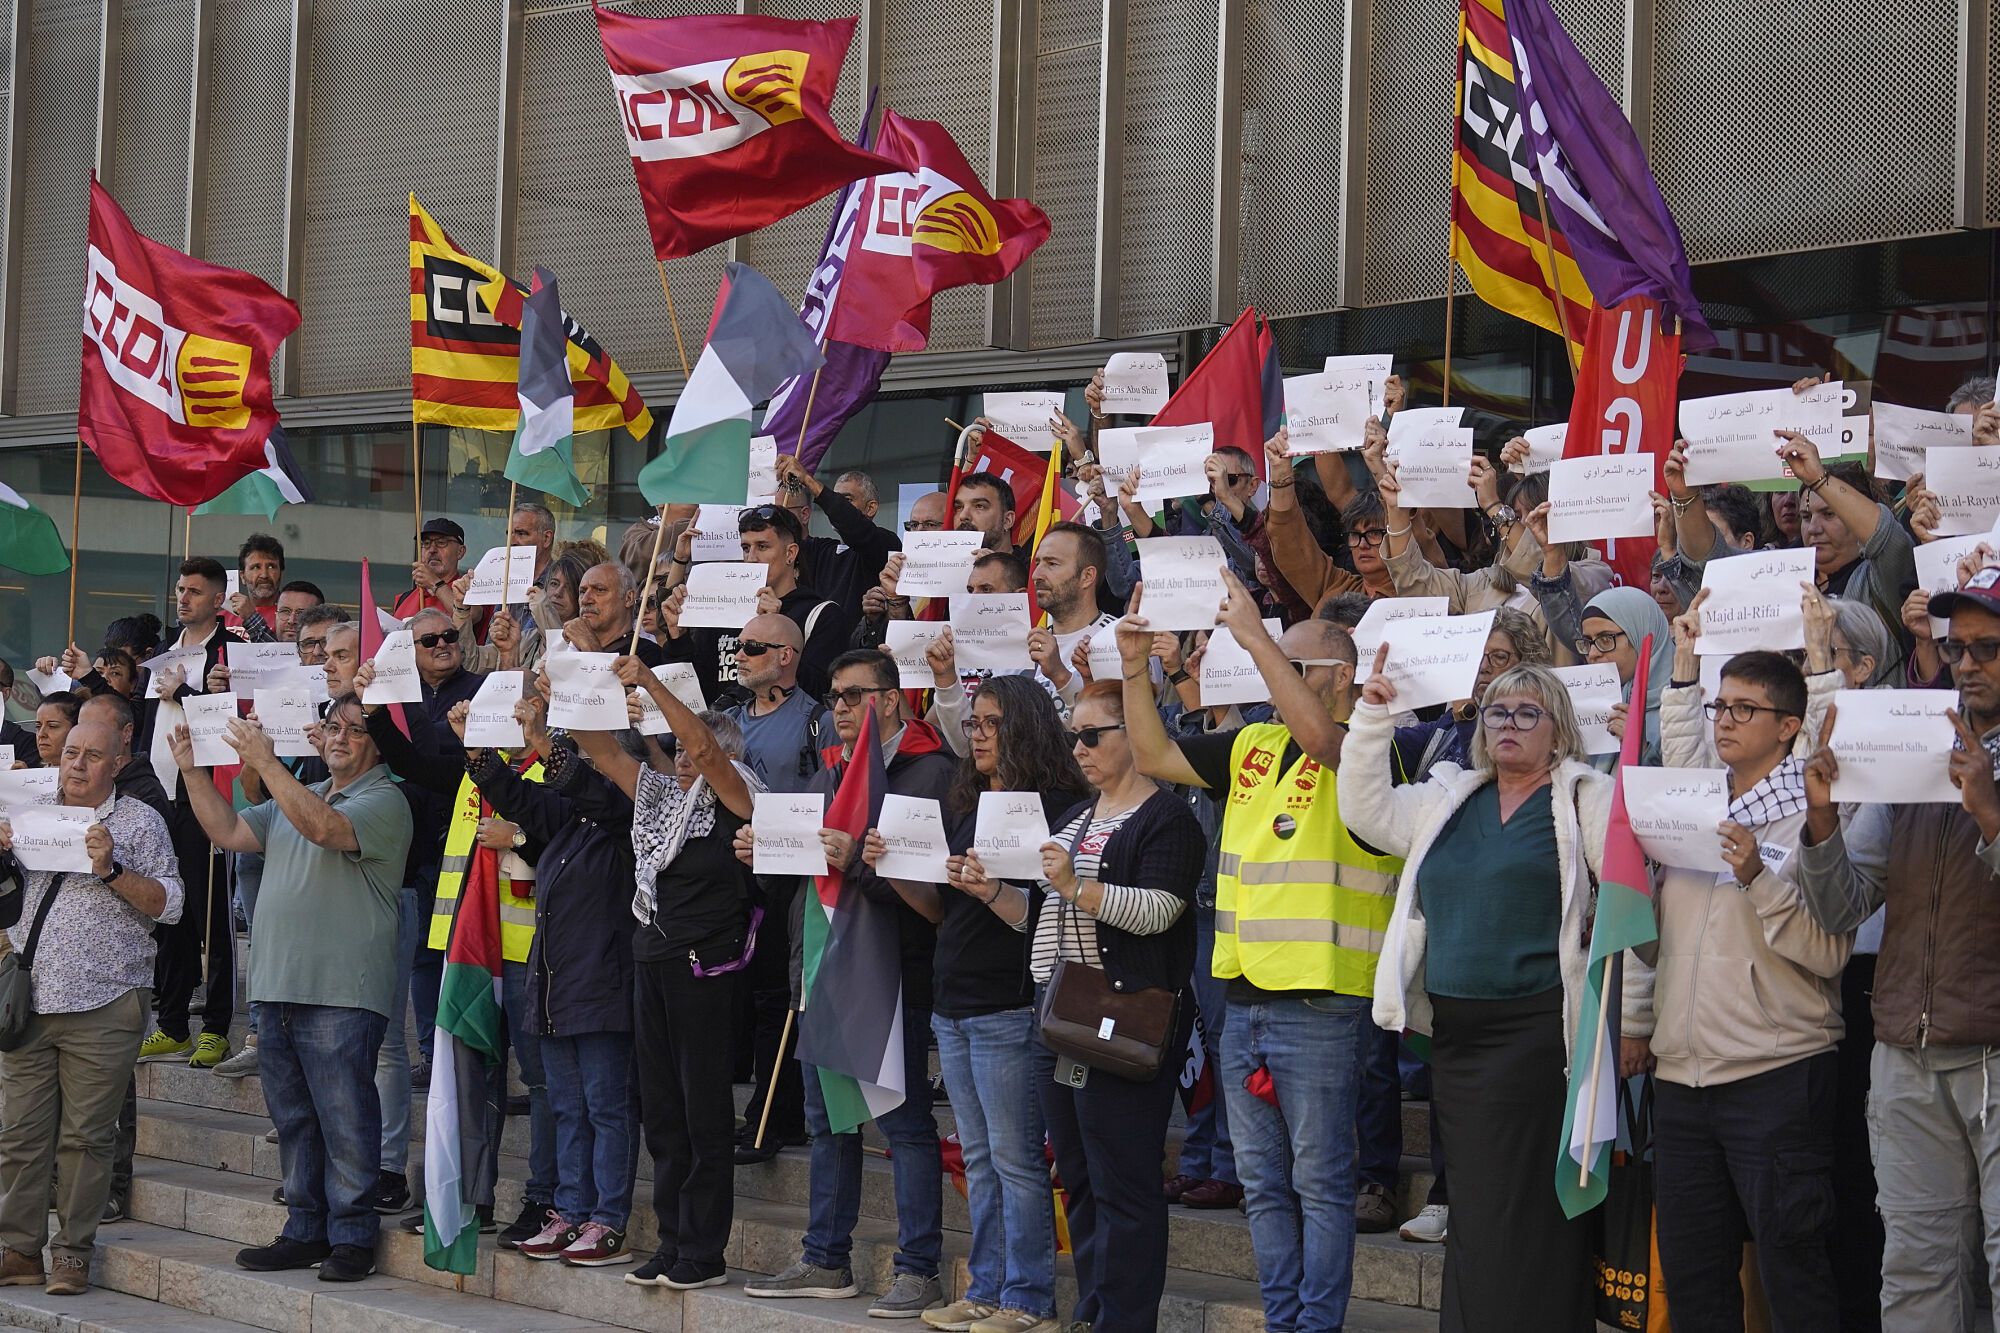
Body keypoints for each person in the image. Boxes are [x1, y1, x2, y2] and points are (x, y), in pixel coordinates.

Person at [1340, 658, 1633, 1333]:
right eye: (1498, 712)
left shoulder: (1583, 795)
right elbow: (1366, 810)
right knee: (1474, 1209)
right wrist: (1371, 716)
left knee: (1527, 1207)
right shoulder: (1450, 795)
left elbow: (1626, 898)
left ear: (1558, 732)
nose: (1509, 724)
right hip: (1457, 1039)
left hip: (1536, 1037)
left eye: (1528, 713)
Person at [1118, 573, 1377, 1333]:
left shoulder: (1370, 740)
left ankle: (1315, 1325)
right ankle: (1284, 1319)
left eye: (1293, 667)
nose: (1271, 677)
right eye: (1273, 663)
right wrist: (1136, 669)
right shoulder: (1255, 743)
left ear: (1341, 675)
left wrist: (1257, 636)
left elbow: (1324, 742)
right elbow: (1154, 754)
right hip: (1246, 999)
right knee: (1263, 1184)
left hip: (1325, 1002)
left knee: (1321, 1182)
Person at [1797, 562, 2000, 1329]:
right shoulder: (1916, 746)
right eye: (1957, 649)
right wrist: (1823, 822)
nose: (1968, 665)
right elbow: (1844, 905)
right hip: (1906, 1054)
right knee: (1915, 1272)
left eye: (1988, 648)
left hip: (1994, 1054)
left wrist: (1989, 814)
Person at [861, 674, 1087, 1333]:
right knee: (983, 1157)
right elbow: (938, 910)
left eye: (990, 723)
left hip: (1010, 1002)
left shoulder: (1058, 805)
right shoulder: (964, 801)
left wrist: (992, 890)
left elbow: (1047, 915)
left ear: (1024, 728)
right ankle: (986, 1287)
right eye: (976, 724)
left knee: (1016, 1158)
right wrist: (896, 866)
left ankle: (1031, 1299)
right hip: (953, 999)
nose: (978, 734)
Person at [171, 694, 411, 1283]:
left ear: (378, 744)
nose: (339, 738)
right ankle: (306, 1229)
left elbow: (326, 831)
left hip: (341, 989)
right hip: (277, 986)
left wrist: (268, 763)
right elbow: (227, 830)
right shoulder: (294, 797)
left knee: (346, 1117)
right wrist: (190, 771)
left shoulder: (386, 798)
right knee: (296, 1119)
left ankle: (352, 1236)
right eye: (332, 727)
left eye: (355, 731)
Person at [742, 649, 953, 1318]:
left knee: (904, 1124)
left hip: (893, 974)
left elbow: (926, 885)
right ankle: (825, 1258)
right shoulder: (832, 770)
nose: (838, 707)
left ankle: (919, 1267)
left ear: (891, 699)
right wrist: (764, 852)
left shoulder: (931, 770)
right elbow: (810, 872)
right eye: (833, 695)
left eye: (854, 695)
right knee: (829, 1120)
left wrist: (856, 856)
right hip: (826, 965)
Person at [1651, 639, 1847, 1331]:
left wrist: (1757, 880)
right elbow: (1658, 942)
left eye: (1744, 707)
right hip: (1678, 1078)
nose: (1724, 719)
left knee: (1795, 1273)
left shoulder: (1816, 813)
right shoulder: (1686, 806)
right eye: (1719, 705)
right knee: (1693, 1276)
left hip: (1778, 1071)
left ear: (1789, 724)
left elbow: (1828, 950)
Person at [567, 660, 759, 1290]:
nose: (681, 757)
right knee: (663, 1113)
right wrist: (565, 693)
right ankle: (675, 1240)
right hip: (651, 962)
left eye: (690, 750)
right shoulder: (658, 802)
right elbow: (598, 750)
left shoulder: (737, 797)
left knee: (703, 1114)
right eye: (672, 748)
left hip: (706, 967)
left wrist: (651, 685)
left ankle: (704, 1252)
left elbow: (705, 748)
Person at [1022, 680, 1201, 1333]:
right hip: (1065, 1011)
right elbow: (1049, 919)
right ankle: (1095, 1311)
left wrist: (1080, 888)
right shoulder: (1078, 816)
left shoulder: (1168, 817)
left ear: (1135, 736)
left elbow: (1160, 911)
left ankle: (1126, 1321)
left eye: (1093, 734)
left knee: (1125, 1182)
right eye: (1074, 736)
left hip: (1126, 1013)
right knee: (1080, 1175)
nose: (1080, 748)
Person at [444, 684, 639, 1269]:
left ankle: (608, 1218)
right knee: (570, 1108)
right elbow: (520, 798)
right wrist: (479, 752)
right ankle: (571, 1211)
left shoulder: (625, 813)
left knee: (605, 1107)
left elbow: (588, 789)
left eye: (585, 759)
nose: (571, 771)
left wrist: (545, 742)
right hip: (552, 984)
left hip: (603, 984)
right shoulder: (572, 819)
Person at [0, 718, 181, 1297]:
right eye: (70, 752)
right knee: (20, 1136)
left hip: (105, 1002)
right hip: (27, 1002)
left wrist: (110, 869)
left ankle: (73, 1253)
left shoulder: (140, 821)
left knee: (85, 1137)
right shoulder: (26, 810)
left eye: (91, 756)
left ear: (117, 761)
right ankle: (18, 1251)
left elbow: (170, 907)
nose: (75, 764)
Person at [723, 612, 828, 1166]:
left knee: (776, 1000)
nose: (740, 655)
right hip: (737, 872)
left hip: (790, 873)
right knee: (746, 1001)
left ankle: (773, 1116)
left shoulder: (817, 720)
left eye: (754, 648)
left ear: (786, 656)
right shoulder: (730, 717)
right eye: (739, 646)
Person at [136, 556, 237, 1070]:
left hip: (206, 799)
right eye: (180, 589)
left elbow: (238, 723)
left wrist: (191, 693)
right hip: (158, 798)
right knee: (168, 911)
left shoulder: (231, 651)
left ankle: (216, 1026)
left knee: (209, 913)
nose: (183, 598)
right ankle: (172, 1023)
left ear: (218, 599)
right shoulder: (161, 653)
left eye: (194, 591)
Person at [661, 507, 844, 701]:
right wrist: (678, 639)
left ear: (791, 553)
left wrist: (776, 627)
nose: (752, 558)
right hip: (722, 728)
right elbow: (696, 693)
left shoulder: (821, 614)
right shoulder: (723, 608)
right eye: (746, 548)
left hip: (780, 729)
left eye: (763, 547)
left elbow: (819, 692)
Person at [772, 458, 901, 625]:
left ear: (871, 508)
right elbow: (788, 540)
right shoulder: (821, 551)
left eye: (846, 500)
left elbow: (856, 527)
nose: (834, 507)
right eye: (834, 499)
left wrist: (808, 480)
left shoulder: (884, 543)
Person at [1026, 523, 1118, 708]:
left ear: (1087, 576)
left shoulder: (1119, 640)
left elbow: (1118, 729)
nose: (1036, 575)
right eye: (1038, 563)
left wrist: (1060, 675)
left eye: (1052, 564)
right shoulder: (1024, 643)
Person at [225, 533, 287, 634]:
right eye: (256, 567)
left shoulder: (290, 619)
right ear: (242, 576)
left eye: (271, 566)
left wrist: (251, 617)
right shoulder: (222, 617)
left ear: (281, 574)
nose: (264, 575)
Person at [953, 473, 1018, 555]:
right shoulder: (940, 566)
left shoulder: (1033, 567)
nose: (963, 515)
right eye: (958, 507)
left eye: (979, 506)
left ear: (1007, 520)